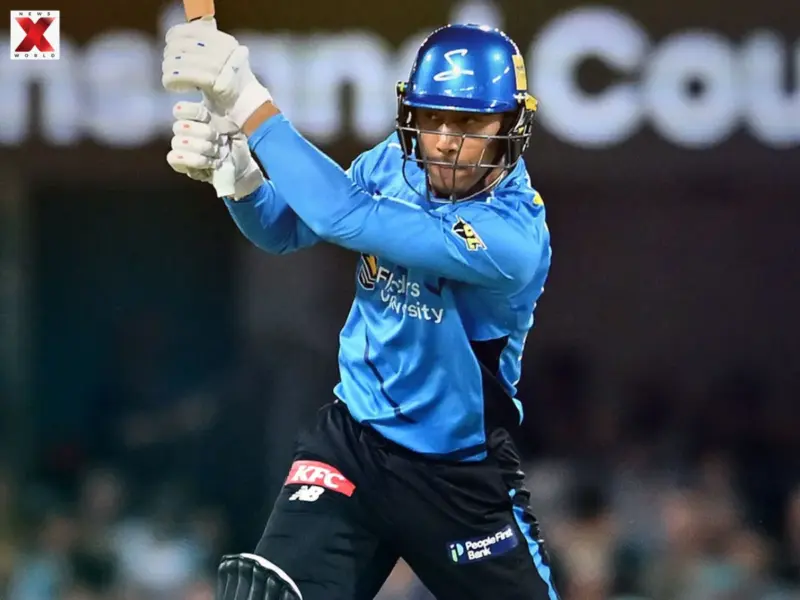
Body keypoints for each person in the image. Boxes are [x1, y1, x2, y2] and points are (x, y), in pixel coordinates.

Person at [162, 19, 558, 600]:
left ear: (510, 124)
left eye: (470, 123)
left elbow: (342, 215)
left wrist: (248, 101)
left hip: (457, 474)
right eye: (432, 118)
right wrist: (239, 179)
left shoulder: (512, 237)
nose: (446, 141)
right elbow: (284, 229)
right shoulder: (391, 166)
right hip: (352, 447)